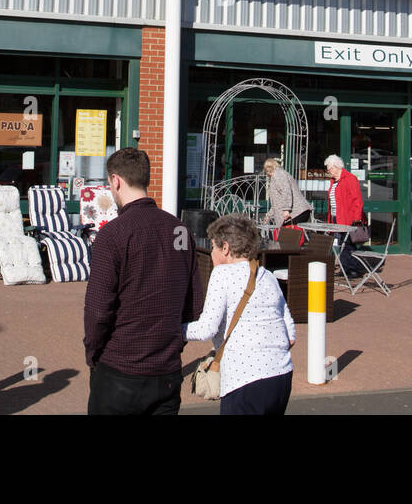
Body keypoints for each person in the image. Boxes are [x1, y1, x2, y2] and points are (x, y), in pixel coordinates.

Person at [83, 147, 205, 414]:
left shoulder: (112, 235)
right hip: (166, 372)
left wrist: (93, 353)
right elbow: (194, 305)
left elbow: (97, 310)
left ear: (115, 181)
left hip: (119, 369)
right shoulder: (179, 231)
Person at [184, 214, 295, 415]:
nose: (212, 253)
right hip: (281, 375)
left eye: (213, 247)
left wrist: (173, 329)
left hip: (245, 379)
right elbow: (291, 334)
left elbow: (206, 329)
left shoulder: (222, 275)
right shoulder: (267, 276)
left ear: (225, 248)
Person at [324, 154, 366, 279]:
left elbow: (357, 199)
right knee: (342, 243)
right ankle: (346, 267)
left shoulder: (350, 178)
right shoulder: (334, 181)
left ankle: (353, 269)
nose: (328, 171)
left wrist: (357, 218)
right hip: (337, 216)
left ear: (336, 167)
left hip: (348, 217)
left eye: (329, 168)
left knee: (348, 243)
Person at [262, 157, 312, 227]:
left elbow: (286, 192)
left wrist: (286, 209)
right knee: (290, 236)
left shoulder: (279, 174)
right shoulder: (276, 176)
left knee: (289, 236)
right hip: (296, 213)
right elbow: (276, 202)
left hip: (296, 212)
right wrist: (269, 215)